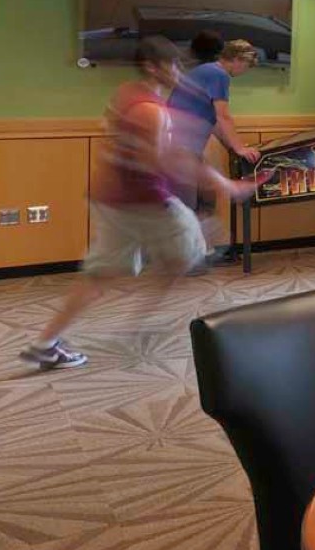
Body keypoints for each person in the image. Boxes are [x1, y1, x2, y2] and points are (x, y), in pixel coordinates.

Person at [18, 37, 264, 371]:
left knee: (98, 275)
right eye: (172, 65)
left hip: (110, 199)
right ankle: (143, 316)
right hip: (146, 203)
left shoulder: (127, 94)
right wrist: (227, 186)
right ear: (152, 67)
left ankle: (44, 344)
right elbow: (168, 161)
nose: (179, 72)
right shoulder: (152, 111)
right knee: (192, 252)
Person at [167, 34, 260, 258]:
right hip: (179, 147)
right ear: (237, 59)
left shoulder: (207, 72)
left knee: (206, 197)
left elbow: (215, 122)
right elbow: (224, 115)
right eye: (246, 66)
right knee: (189, 203)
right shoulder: (218, 74)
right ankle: (185, 256)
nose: (244, 71)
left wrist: (232, 145)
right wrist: (239, 148)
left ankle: (198, 250)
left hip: (186, 148)